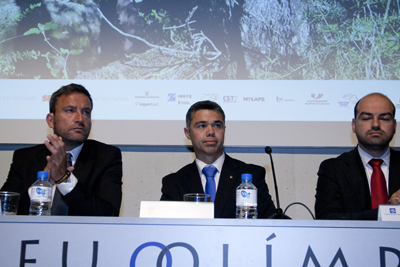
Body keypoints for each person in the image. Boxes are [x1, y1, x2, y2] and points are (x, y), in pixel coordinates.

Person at [1, 84, 122, 216]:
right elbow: (5, 210)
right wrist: (42, 186)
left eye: (86, 112)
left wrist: (64, 179)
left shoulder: (106, 157)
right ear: (51, 120)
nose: (80, 119)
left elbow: (109, 214)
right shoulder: (24, 158)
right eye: (70, 110)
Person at [160, 100, 276, 218]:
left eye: (217, 125)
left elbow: (272, 222)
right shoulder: (174, 183)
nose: (211, 132)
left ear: (224, 130)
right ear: (188, 133)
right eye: (202, 126)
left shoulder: (252, 176)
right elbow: (163, 229)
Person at [315, 93, 400, 220]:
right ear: (354, 125)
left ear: (394, 126)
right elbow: (328, 219)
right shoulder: (333, 169)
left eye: (384, 118)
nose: (375, 124)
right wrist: (389, 212)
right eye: (366, 118)